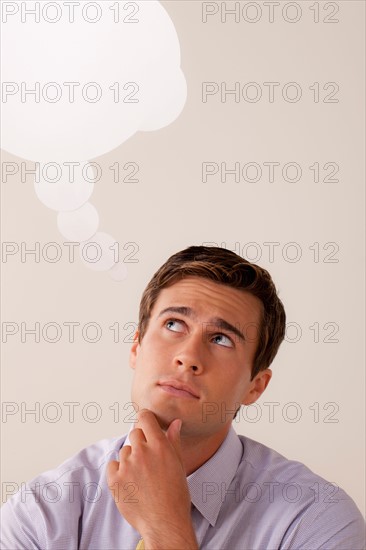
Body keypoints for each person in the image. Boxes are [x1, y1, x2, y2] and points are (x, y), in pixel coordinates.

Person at [1, 245, 364, 549]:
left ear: (256, 386)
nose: (189, 356)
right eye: (174, 324)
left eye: (222, 338)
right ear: (136, 347)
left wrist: (167, 528)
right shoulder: (43, 510)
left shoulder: (317, 520)